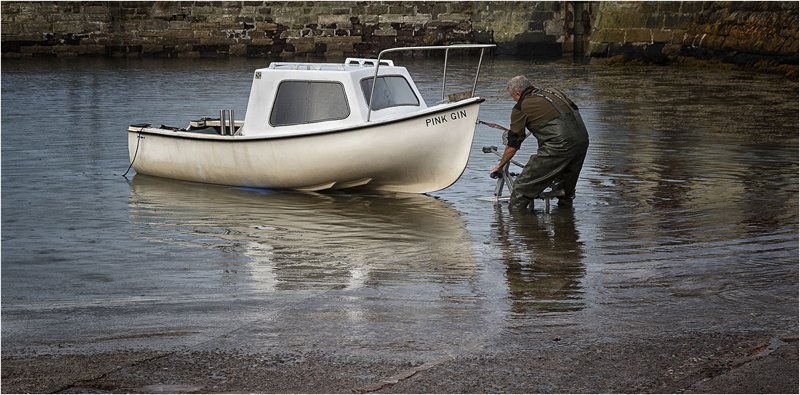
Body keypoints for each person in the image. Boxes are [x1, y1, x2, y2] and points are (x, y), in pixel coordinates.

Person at [490, 76, 589, 211]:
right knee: (565, 190)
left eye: (512, 96)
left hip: (559, 145)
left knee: (521, 188)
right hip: (582, 140)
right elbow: (574, 110)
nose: (513, 99)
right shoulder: (554, 92)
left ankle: (518, 224)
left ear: (518, 93)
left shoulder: (520, 107)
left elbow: (513, 144)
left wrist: (499, 165)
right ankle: (566, 224)